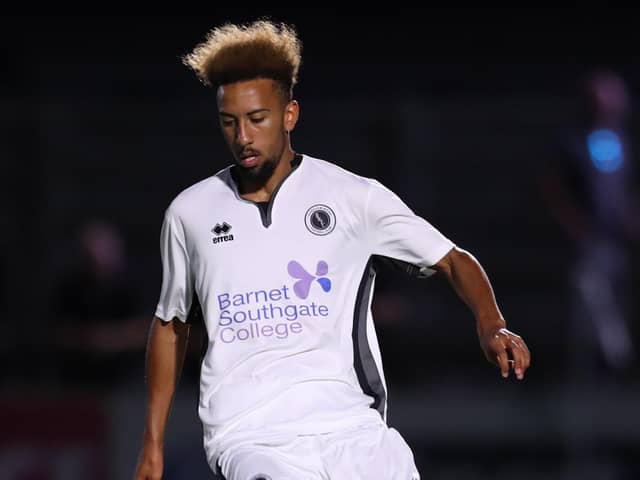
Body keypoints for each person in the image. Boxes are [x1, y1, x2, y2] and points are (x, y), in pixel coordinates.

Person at [134, 20, 531, 480]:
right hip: (251, 438)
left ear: (289, 115)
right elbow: (170, 325)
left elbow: (452, 258)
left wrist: (491, 324)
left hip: (355, 431)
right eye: (230, 122)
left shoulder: (352, 197)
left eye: (257, 119)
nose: (243, 136)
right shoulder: (191, 213)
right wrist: (152, 444)